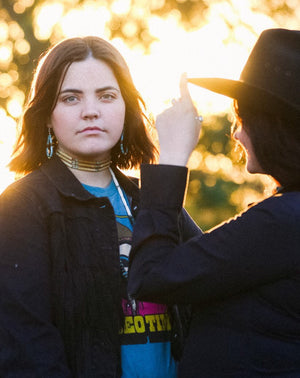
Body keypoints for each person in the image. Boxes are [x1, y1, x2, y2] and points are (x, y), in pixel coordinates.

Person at [0, 36, 200, 377]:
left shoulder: (151, 200)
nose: (90, 110)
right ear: (47, 115)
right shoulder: (21, 206)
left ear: (126, 108)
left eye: (107, 96)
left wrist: (174, 159)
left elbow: (210, 292)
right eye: (70, 98)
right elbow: (25, 345)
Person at [128, 28, 300, 377]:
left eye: (242, 118)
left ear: (273, 126)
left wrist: (173, 158)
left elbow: (152, 276)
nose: (236, 132)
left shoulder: (285, 220)